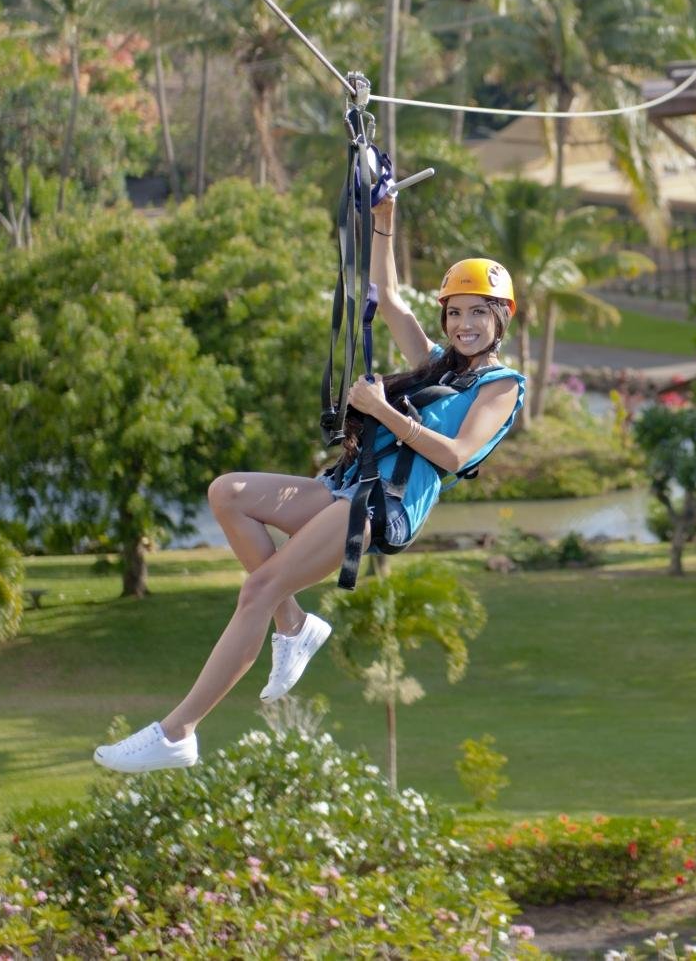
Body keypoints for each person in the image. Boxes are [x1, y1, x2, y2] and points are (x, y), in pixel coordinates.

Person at [93, 193, 526, 772]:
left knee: (258, 589)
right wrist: (384, 224)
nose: (464, 325)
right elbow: (391, 300)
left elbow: (455, 455)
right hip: (347, 484)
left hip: (381, 506)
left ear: (501, 318)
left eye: (478, 313)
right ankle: (294, 625)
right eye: (456, 312)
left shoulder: (500, 387)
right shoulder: (435, 366)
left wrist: (384, 409)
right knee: (228, 493)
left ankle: (179, 731)